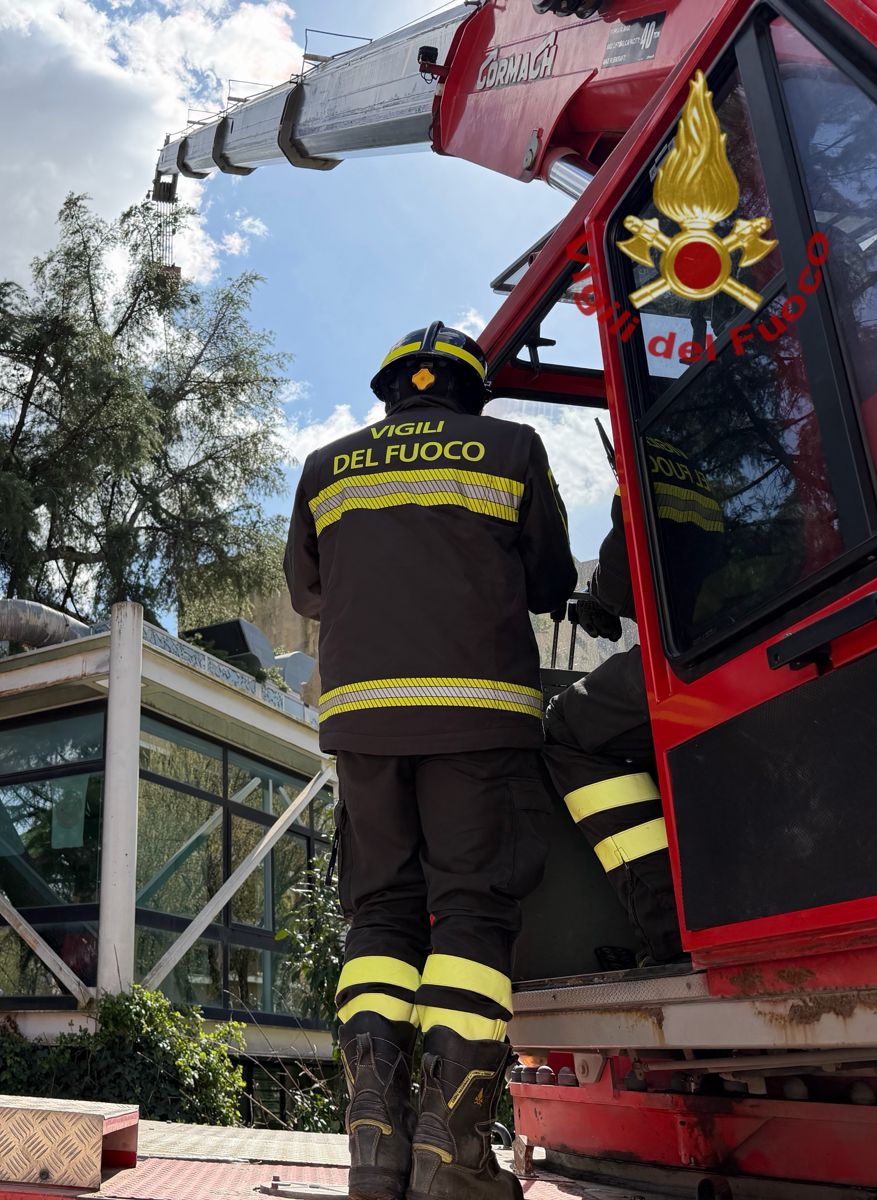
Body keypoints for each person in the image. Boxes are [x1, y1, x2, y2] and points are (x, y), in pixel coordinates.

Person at [285, 323, 576, 1200]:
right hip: (478, 720)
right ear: (469, 389)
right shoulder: (512, 447)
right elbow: (551, 579)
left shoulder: (326, 467)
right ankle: (451, 1157)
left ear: (391, 391)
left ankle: (374, 1153)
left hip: (365, 728)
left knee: (379, 919)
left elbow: (308, 590)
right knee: (473, 919)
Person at [544, 437, 724, 965]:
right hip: (731, 640)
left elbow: (624, 576)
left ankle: (667, 926)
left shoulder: (640, 463)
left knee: (566, 726)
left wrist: (600, 600)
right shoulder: (699, 472)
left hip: (685, 657)